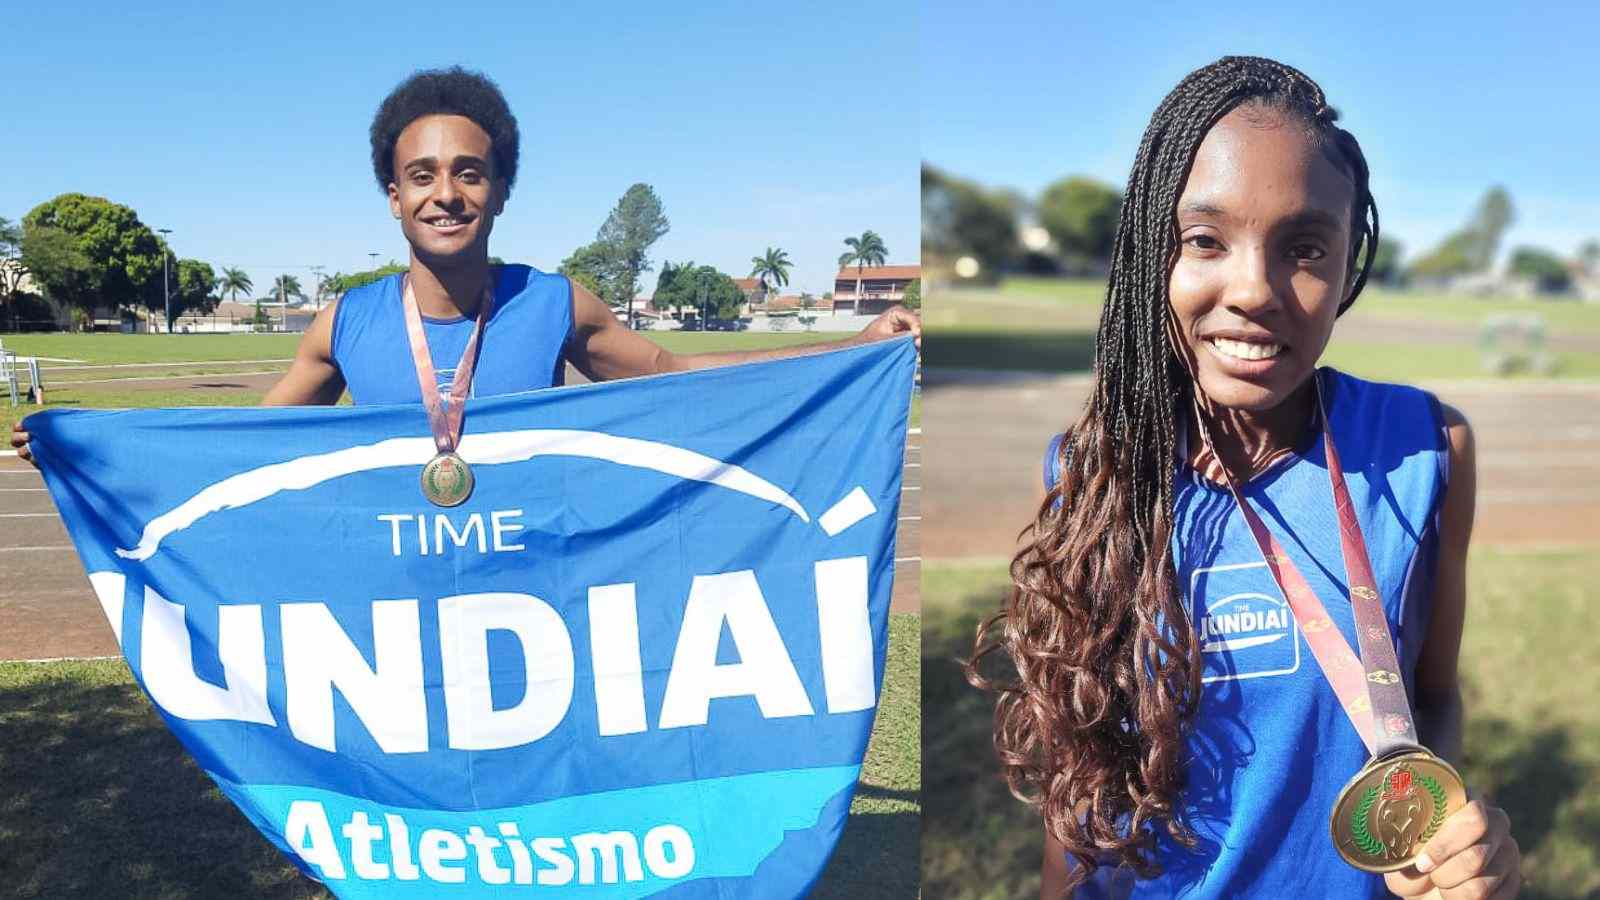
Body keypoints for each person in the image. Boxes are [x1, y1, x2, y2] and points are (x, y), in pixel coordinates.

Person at [967, 57, 1520, 899]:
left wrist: (1446, 841)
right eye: (1205, 241)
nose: (1254, 289)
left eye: (1305, 247)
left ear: (1349, 262)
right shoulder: (1095, 471)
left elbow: (1433, 696)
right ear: (1152, 253)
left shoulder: (1427, 448)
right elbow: (1082, 774)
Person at [10, 66, 918, 459]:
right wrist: (89, 440)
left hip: (538, 599)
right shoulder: (344, 322)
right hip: (395, 607)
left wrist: (855, 349)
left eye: (468, 172)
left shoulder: (557, 303)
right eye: (422, 175)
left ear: (500, 189)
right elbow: (242, 449)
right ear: (394, 196)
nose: (445, 194)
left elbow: (681, 376)